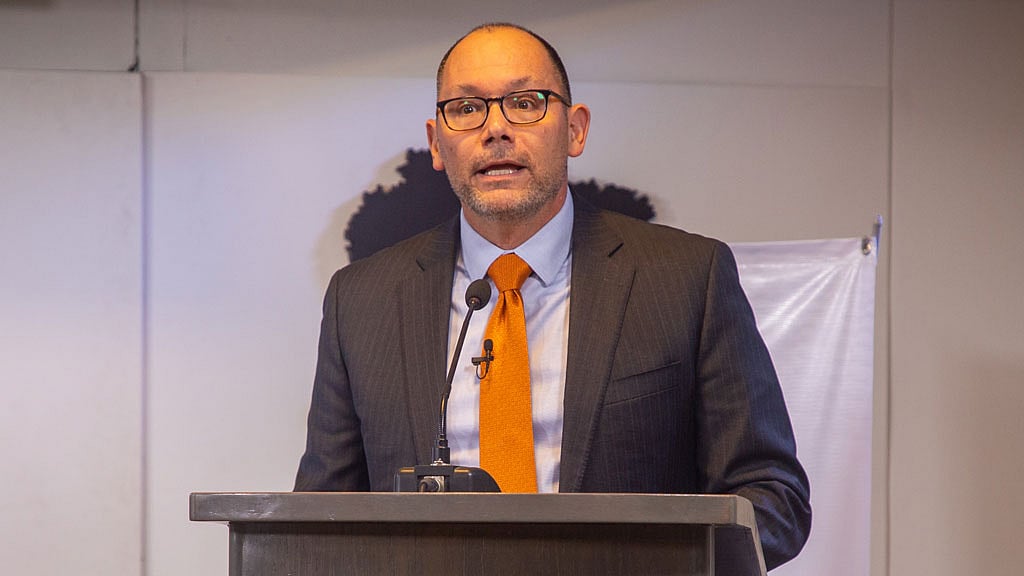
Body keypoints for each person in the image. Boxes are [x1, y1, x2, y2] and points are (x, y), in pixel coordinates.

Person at [295, 23, 811, 569]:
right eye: (467, 109)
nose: (495, 129)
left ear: (575, 130)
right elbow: (318, 517)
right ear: (436, 143)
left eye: (525, 102)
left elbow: (772, 497)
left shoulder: (686, 277)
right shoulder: (363, 299)